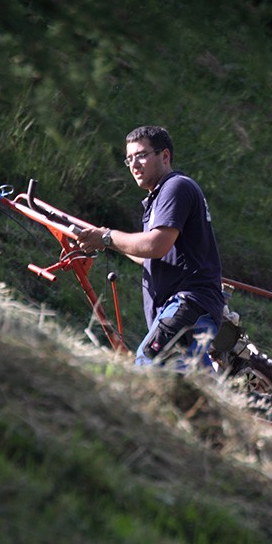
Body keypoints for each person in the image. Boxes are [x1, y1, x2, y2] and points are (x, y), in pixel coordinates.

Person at [74, 125, 225, 370]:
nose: (134, 165)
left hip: (188, 305)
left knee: (147, 369)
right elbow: (151, 257)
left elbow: (155, 246)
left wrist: (106, 237)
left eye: (142, 155)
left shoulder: (176, 187)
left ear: (165, 156)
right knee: (197, 396)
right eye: (129, 159)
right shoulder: (160, 197)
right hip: (193, 312)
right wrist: (107, 242)